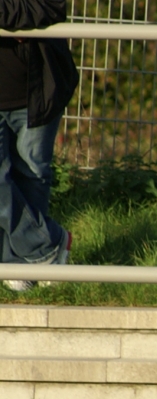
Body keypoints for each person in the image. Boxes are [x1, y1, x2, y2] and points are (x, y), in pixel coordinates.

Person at [0, 0, 78, 292]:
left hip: (36, 92)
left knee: (33, 174)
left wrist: (11, 19)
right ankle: (47, 247)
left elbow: (50, 8)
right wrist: (16, 20)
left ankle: (19, 262)